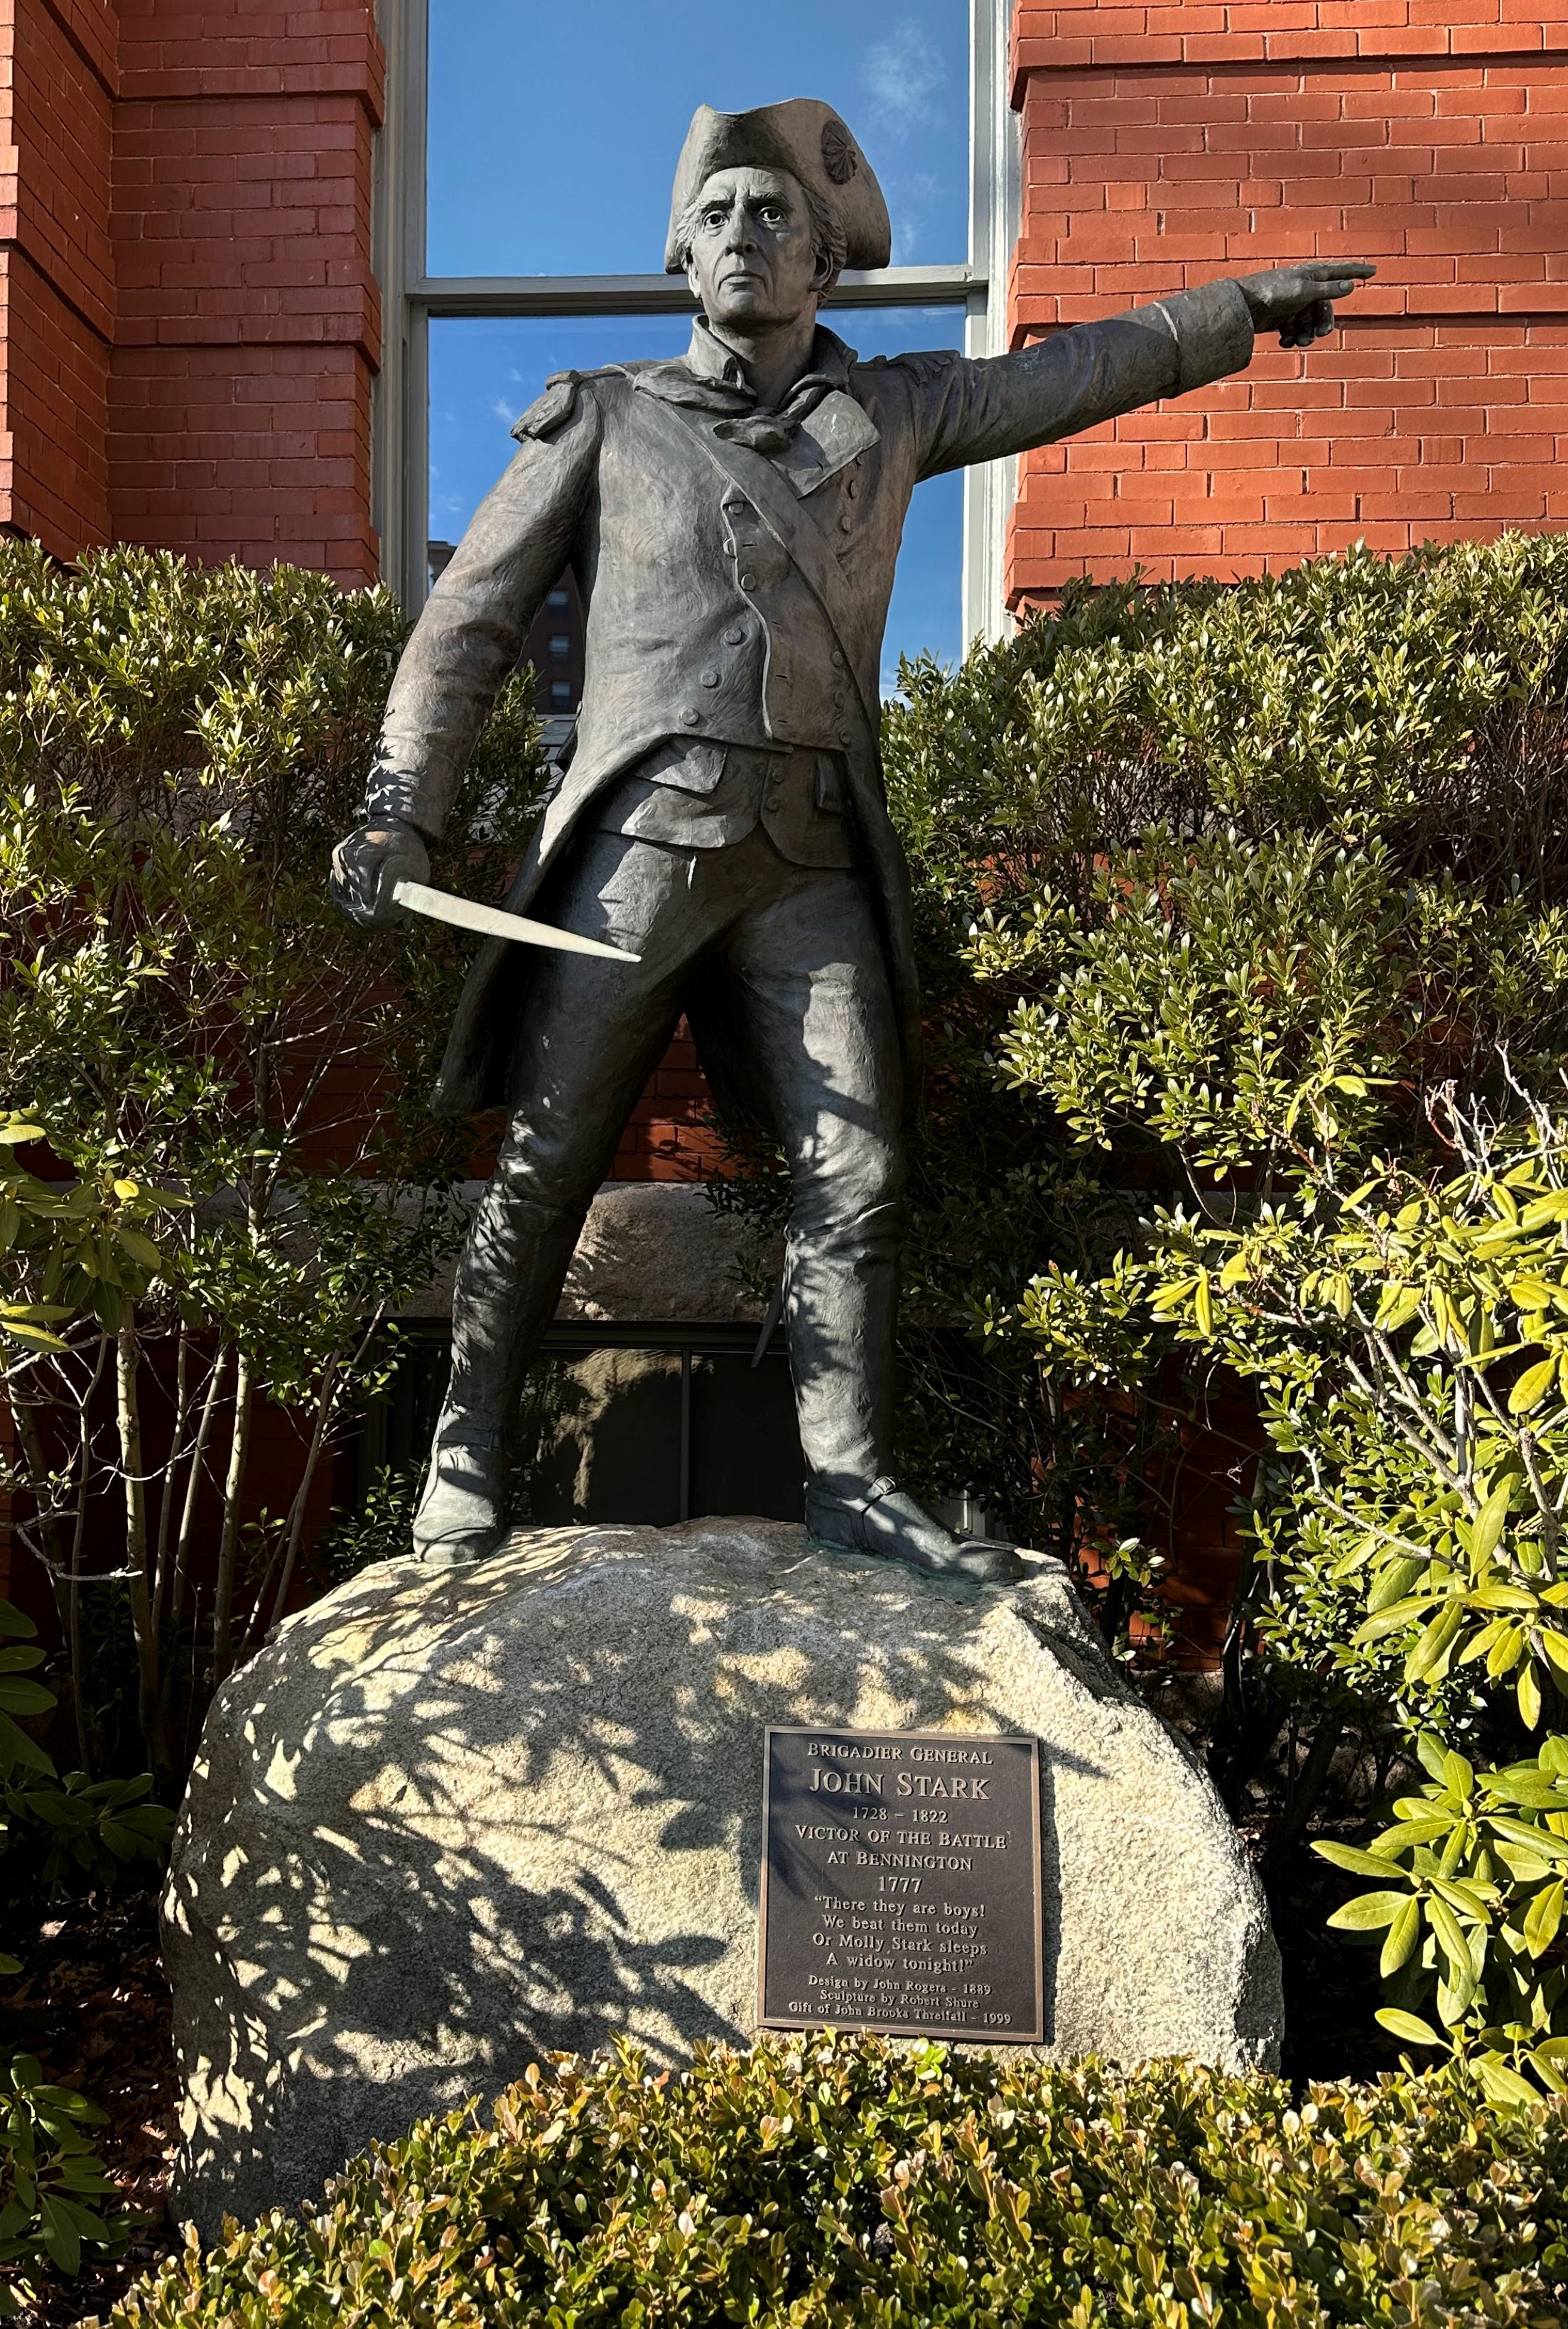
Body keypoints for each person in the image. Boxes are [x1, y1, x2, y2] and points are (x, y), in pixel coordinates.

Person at [331, 97, 1373, 1579]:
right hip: (634, 848)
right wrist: (398, 807)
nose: (741, 238)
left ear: (825, 263)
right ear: (677, 258)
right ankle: (465, 1456)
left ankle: (848, 1477)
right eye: (715, 218)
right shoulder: (606, 420)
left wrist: (1231, 314)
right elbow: (465, 627)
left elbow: (1063, 378)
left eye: (773, 218)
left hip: (809, 857)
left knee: (858, 1173)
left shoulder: (887, 415)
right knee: (549, 1157)